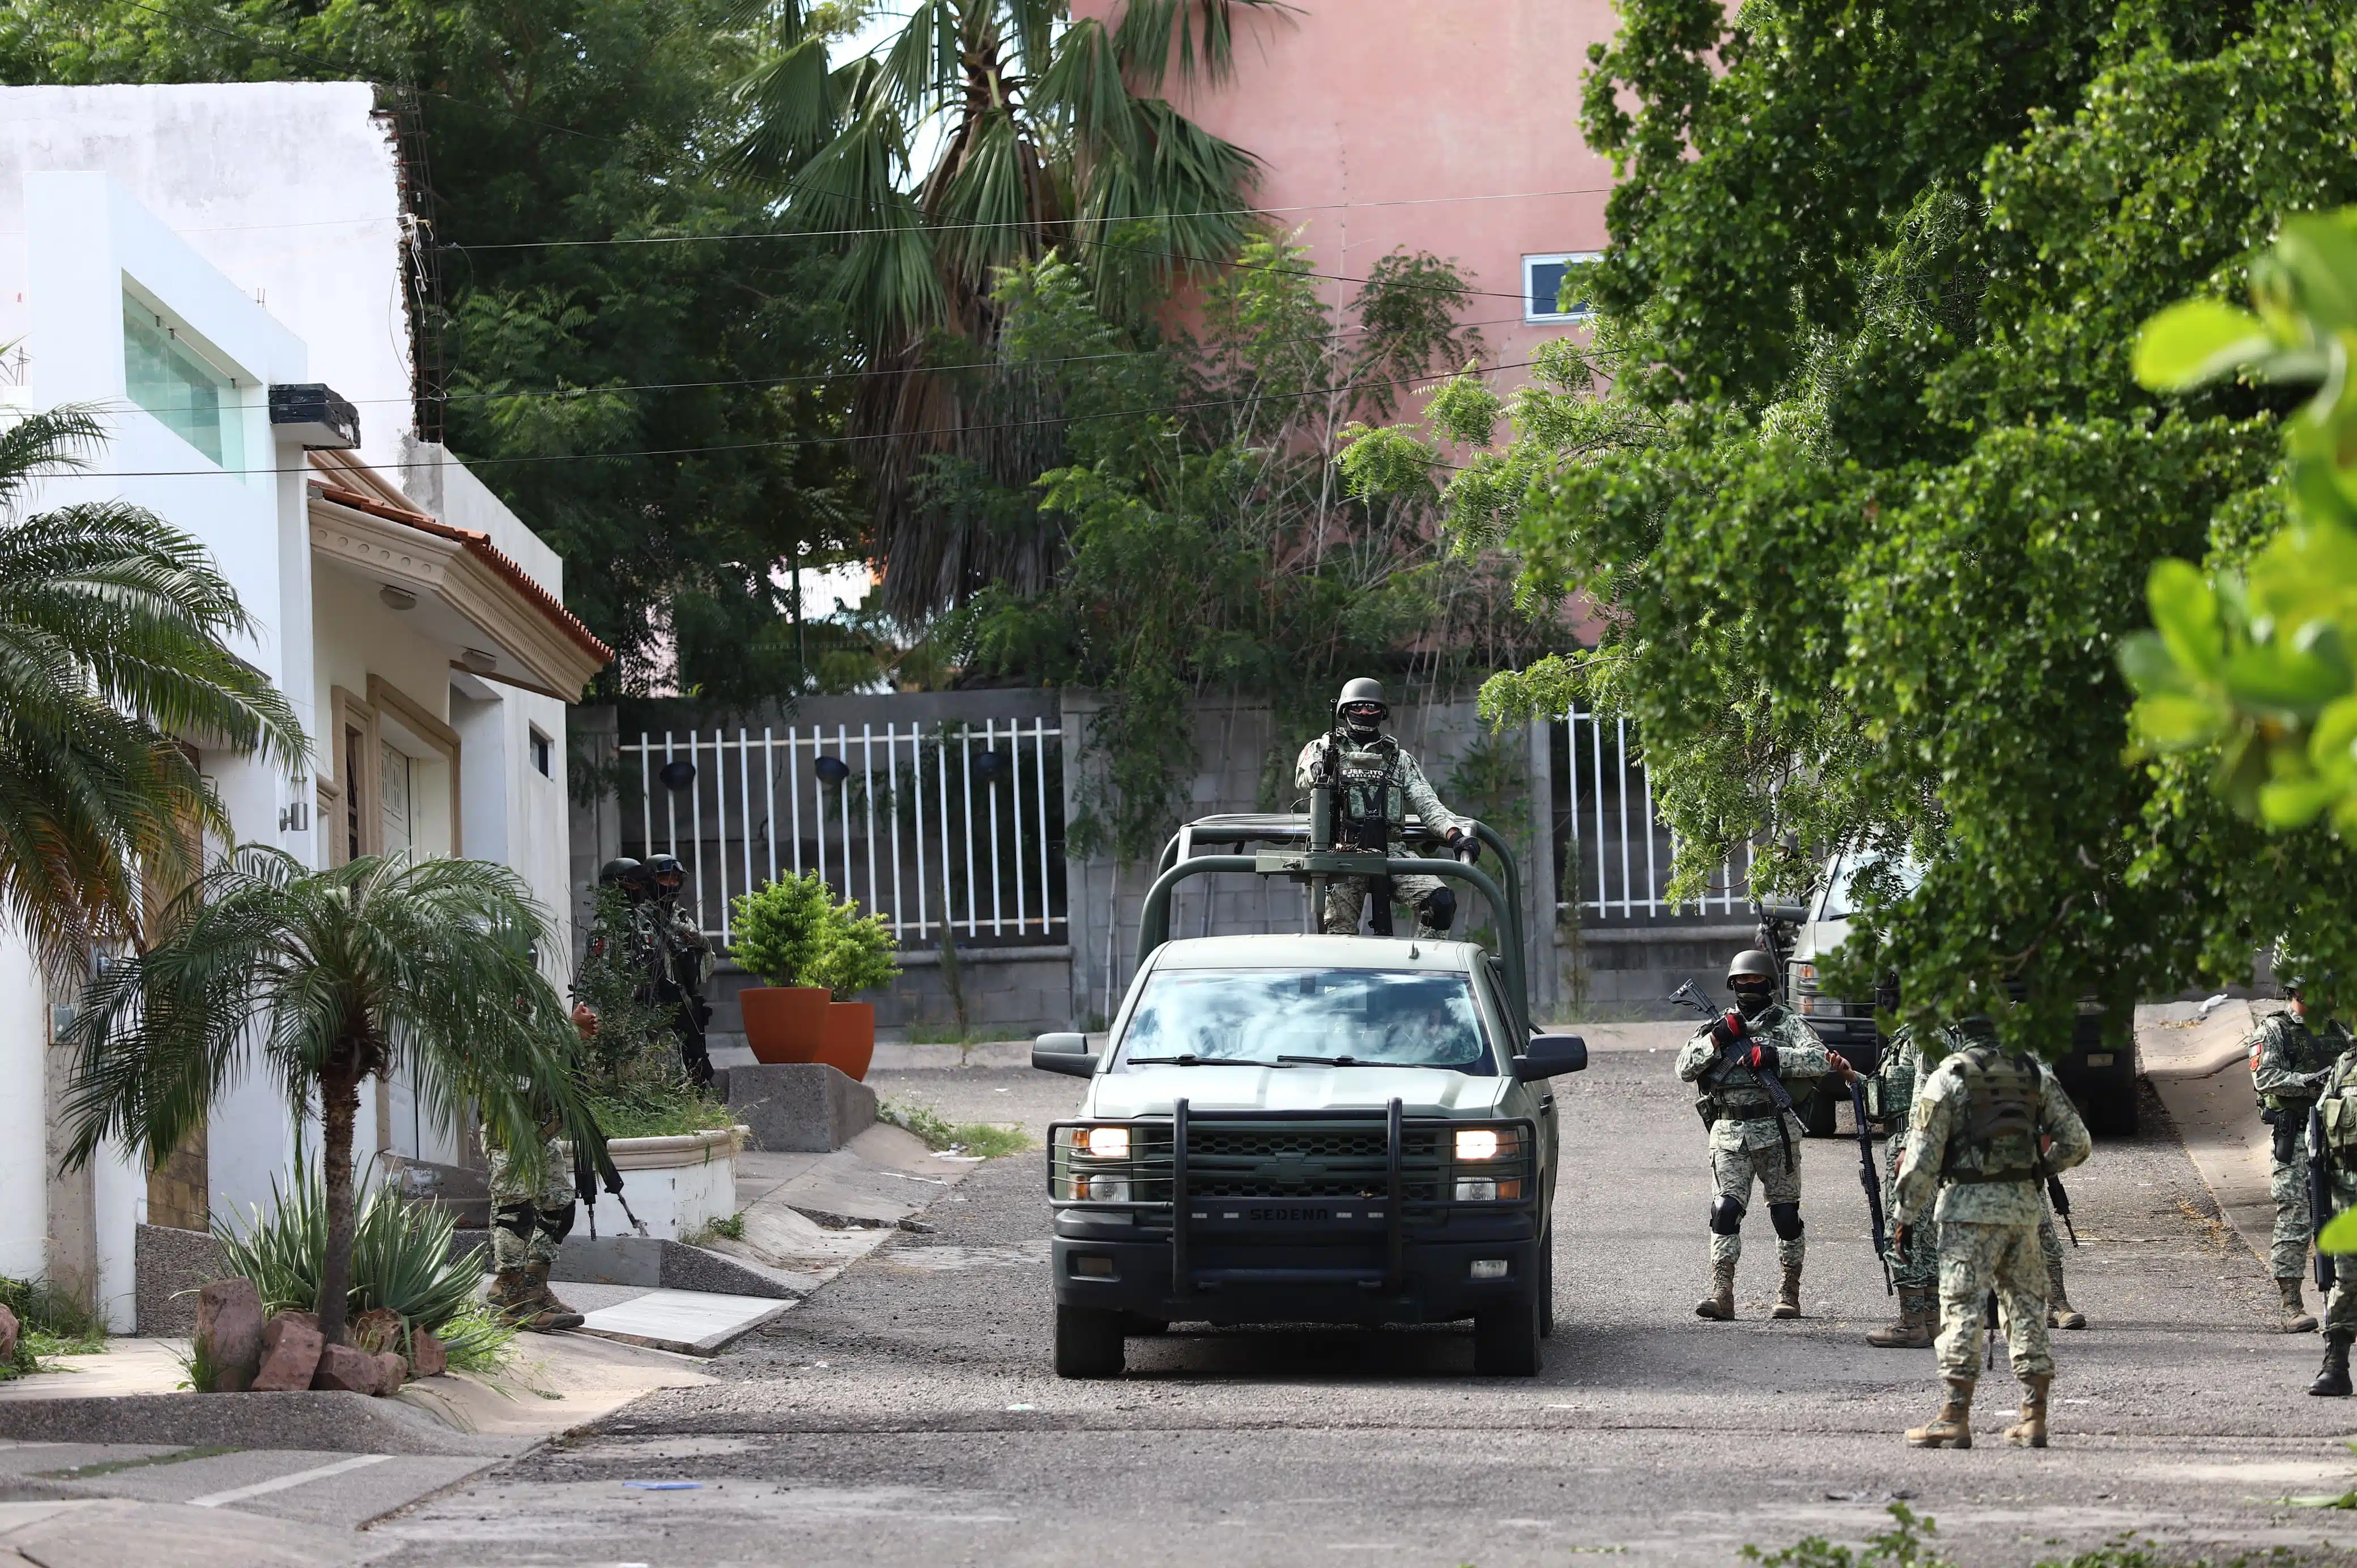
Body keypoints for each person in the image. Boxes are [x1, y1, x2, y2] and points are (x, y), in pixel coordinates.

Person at [1889, 1016, 2092, 1448]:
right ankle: (2033, 1417)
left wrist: (1904, 1216)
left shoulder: (1948, 1076)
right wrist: (2039, 1169)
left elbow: (1922, 1157)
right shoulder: (2034, 1074)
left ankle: (1954, 1416)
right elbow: (2078, 1142)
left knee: (1962, 1310)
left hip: (1966, 1212)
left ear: (1962, 1029)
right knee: (2025, 1309)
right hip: (2023, 1211)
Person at [1677, 948, 1851, 1321]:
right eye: (1742, 980)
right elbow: (1684, 1068)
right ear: (1732, 984)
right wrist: (1716, 1041)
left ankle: (1789, 1291)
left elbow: (1822, 1059)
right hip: (1729, 1135)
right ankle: (1722, 1292)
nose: (1749, 985)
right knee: (1725, 1211)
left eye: (1756, 979)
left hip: (1778, 1133)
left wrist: (1775, 1057)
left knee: (1786, 1216)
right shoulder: (1720, 1025)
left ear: (1770, 983)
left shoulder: (1787, 1023)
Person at [1293, 678, 1476, 938]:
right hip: (1343, 853)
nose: (1365, 713)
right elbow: (1304, 779)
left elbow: (1427, 803)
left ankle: (1423, 968)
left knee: (1442, 902)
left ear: (1382, 713)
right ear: (1344, 710)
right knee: (1340, 939)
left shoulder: (1399, 759)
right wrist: (1325, 769)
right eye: (1358, 707)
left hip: (1391, 851)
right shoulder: (1322, 749)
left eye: (1371, 707)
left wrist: (1456, 836)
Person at [2247, 951, 2351, 1333]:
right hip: (2296, 1134)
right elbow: (2265, 1078)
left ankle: (2344, 1301)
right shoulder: (2273, 1030)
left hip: (2337, 1137)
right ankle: (2291, 1302)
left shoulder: (2338, 1032)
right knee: (2295, 1215)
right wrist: (2308, 1082)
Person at [1865, 1021, 1940, 1348]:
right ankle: (1931, 1322)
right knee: (1922, 1235)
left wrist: (1911, 1146)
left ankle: (1912, 1325)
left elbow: (1928, 1094)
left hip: (1917, 1145)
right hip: (1915, 1142)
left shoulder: (1929, 1034)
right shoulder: (1908, 1034)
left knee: (1902, 1232)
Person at [643, 853, 717, 1088]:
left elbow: (707, 968)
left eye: (676, 880)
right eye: (666, 880)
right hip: (652, 1005)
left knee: (695, 1060)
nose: (672, 885)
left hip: (684, 1001)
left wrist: (703, 944)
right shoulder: (640, 919)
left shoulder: (683, 919)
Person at [2308, 1043, 2357, 1395]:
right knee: (2345, 1279)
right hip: (2347, 1198)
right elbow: (2319, 1127)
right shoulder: (2348, 1063)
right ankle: (2336, 1364)